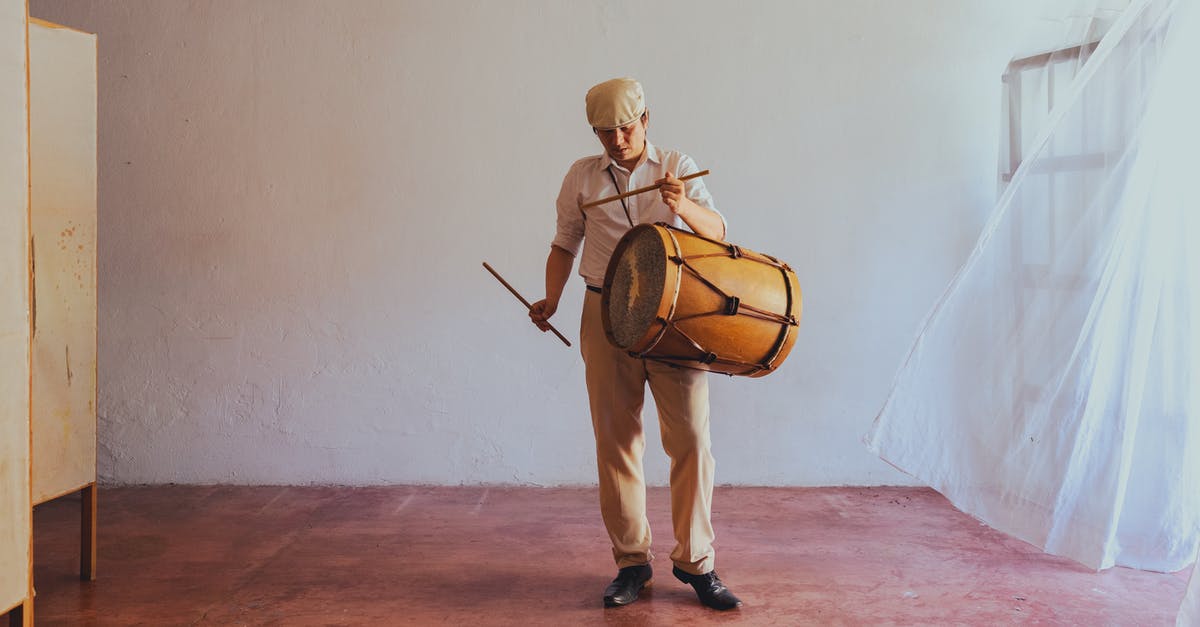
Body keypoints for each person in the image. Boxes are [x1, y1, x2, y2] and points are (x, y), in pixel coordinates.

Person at [529, 77, 742, 611]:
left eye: (626, 127)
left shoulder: (677, 164)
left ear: (646, 119)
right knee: (616, 440)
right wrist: (551, 298)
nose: (618, 139)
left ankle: (697, 562)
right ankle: (632, 562)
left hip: (675, 316)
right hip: (605, 310)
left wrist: (683, 205)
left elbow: (718, 231)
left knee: (692, 438)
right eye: (605, 131)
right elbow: (563, 244)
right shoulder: (581, 176)